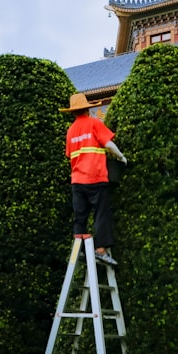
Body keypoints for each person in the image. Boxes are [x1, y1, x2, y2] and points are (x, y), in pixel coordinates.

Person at [61, 92, 127, 266]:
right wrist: (120, 156)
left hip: (77, 181)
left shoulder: (70, 131)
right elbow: (108, 144)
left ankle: (79, 251)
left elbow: (70, 154)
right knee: (101, 214)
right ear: (87, 110)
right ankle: (101, 251)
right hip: (96, 178)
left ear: (73, 112)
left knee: (80, 217)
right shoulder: (94, 124)